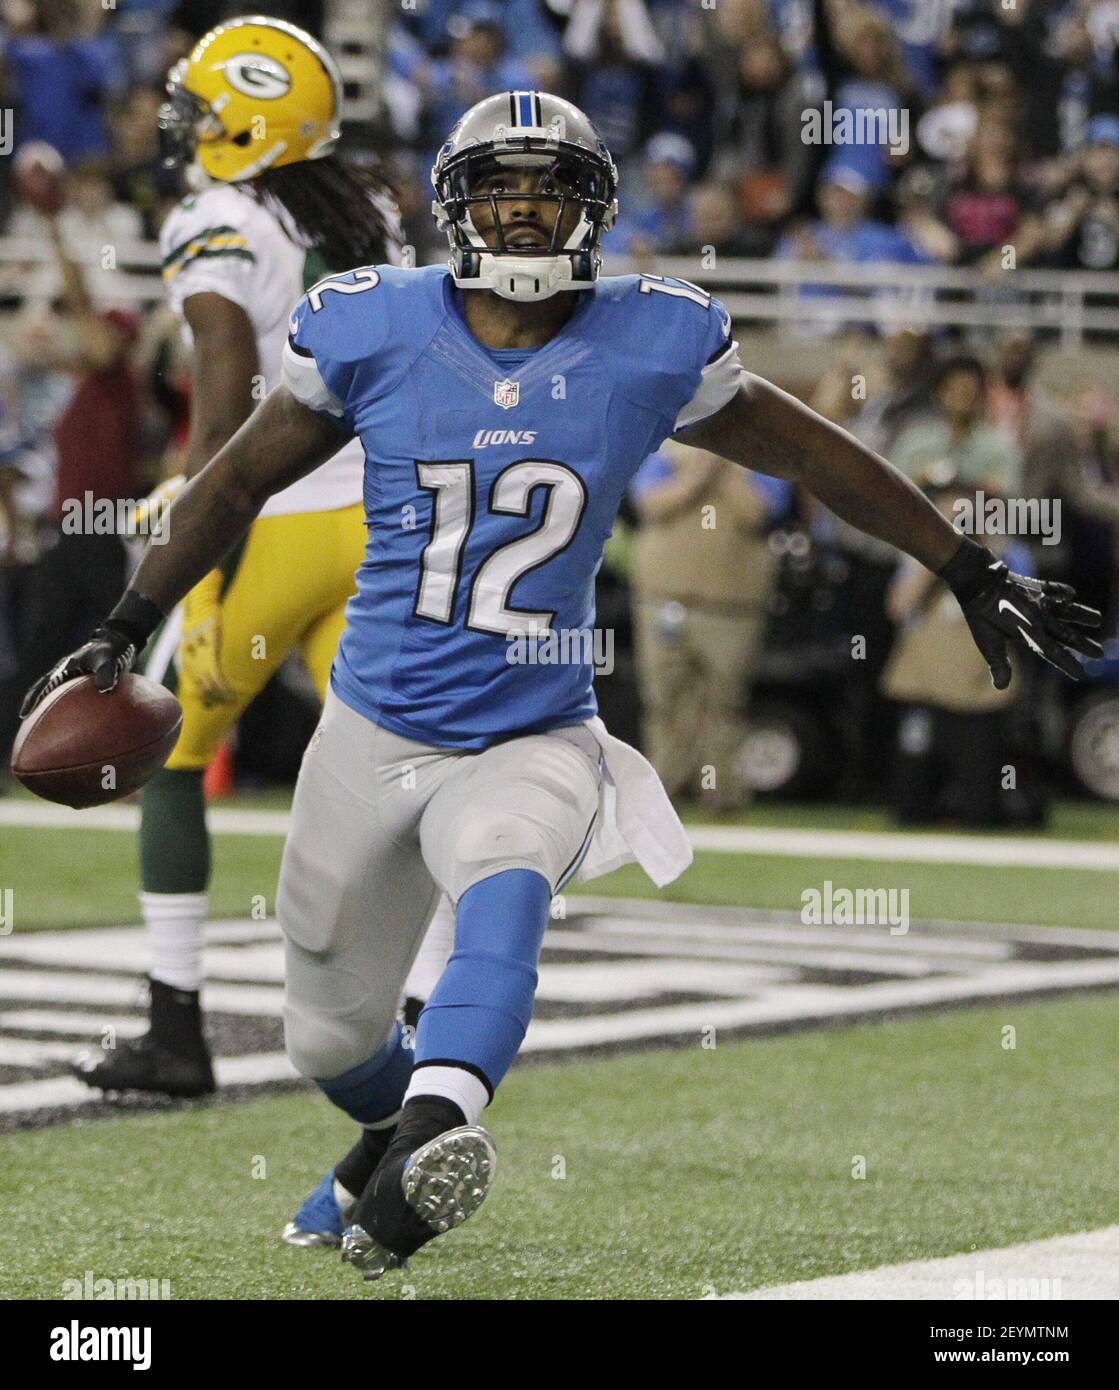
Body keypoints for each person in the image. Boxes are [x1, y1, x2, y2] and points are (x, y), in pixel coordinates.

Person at [21, 91, 1101, 1285]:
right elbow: (227, 484)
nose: (528, 218)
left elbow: (813, 452)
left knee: (507, 875)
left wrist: (964, 561)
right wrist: (125, 623)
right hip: (372, 726)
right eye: (504, 193)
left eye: (550, 194)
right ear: (457, 210)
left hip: (534, 725)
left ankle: (439, 1125)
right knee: (325, 1035)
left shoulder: (649, 340)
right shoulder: (376, 328)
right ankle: (386, 1124)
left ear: (591, 213)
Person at [65, 20, 455, 1246]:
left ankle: (175, 1026)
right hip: (385, 521)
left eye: (195, 108)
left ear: (248, 121)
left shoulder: (221, 217)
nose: (176, 127)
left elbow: (226, 365)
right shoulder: (372, 215)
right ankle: (436, 1023)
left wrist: (197, 508)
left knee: (170, 755)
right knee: (419, 777)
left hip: (275, 524)